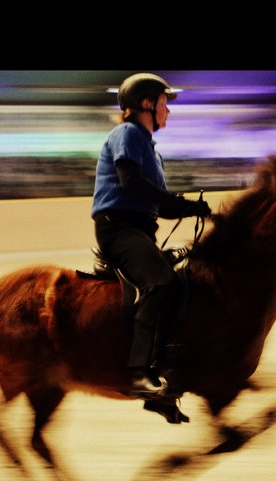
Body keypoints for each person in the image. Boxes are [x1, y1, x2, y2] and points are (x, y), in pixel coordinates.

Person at [92, 73, 211, 399]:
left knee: (183, 280)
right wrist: (180, 203)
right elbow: (131, 183)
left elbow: (159, 204)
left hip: (141, 230)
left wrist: (194, 209)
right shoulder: (128, 133)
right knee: (159, 282)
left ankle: (168, 365)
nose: (167, 110)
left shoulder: (150, 149)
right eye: (163, 103)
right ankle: (139, 373)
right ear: (146, 104)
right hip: (119, 229)